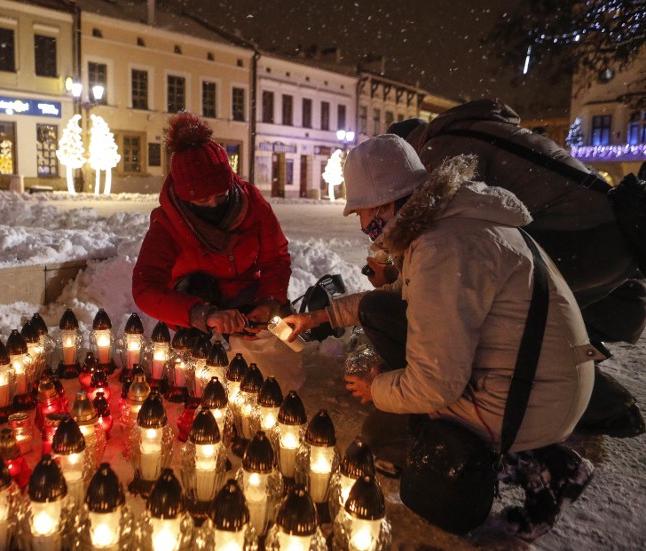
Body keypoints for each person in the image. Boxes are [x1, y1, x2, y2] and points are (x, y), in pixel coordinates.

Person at [283, 135, 597, 538]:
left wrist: (377, 387)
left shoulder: (443, 246)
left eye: (361, 212)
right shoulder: (449, 222)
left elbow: (436, 383)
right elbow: (393, 300)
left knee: (434, 493)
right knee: (381, 314)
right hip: (546, 382)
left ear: (385, 204)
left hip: (533, 400)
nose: (362, 226)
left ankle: (527, 462)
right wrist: (321, 317)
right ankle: (528, 455)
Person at [388, 100, 645, 438]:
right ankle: (605, 403)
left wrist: (400, 269)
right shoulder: (471, 129)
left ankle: (598, 407)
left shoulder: (441, 148)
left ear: (408, 152)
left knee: (512, 322)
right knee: (546, 324)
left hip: (584, 240)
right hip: (611, 234)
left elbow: (449, 230)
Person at [132, 111, 292, 341]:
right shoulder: (167, 223)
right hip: (195, 303)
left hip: (245, 296)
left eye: (221, 195)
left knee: (280, 329)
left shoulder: (252, 204)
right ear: (185, 196)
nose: (213, 204)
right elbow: (145, 287)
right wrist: (202, 315)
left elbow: (276, 257)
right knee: (199, 288)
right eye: (202, 200)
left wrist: (268, 301)